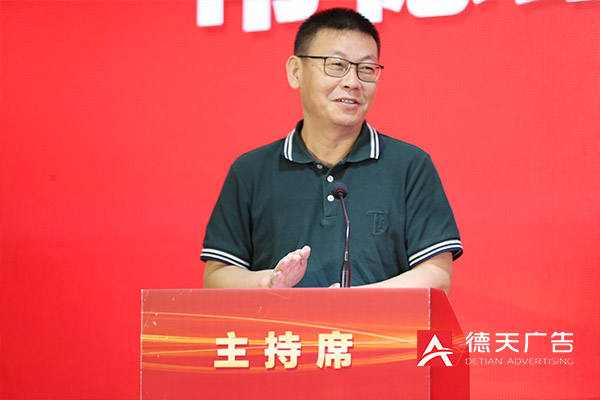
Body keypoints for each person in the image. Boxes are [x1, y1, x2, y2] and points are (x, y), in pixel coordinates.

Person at [200, 8, 462, 293]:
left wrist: (349, 305)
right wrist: (269, 282)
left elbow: (437, 275)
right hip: (280, 324)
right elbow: (217, 277)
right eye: (336, 65)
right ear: (295, 71)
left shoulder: (410, 166)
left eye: (366, 68)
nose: (353, 82)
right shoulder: (251, 171)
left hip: (378, 325)